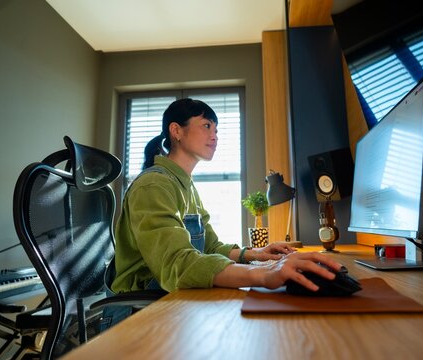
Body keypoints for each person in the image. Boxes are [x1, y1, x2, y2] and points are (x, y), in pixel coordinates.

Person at [109, 98, 341, 298]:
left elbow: (210, 246)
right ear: (176, 131)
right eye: (207, 126)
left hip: (168, 297)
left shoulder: (185, 186)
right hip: (140, 308)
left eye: (216, 130)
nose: (215, 136)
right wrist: (262, 274)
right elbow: (175, 264)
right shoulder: (153, 186)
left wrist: (255, 255)